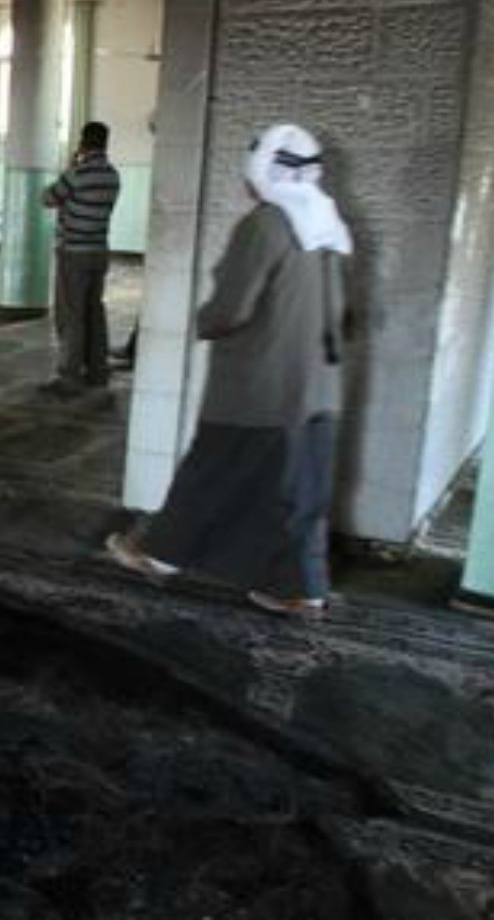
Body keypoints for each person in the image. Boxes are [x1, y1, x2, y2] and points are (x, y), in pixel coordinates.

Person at [106, 123, 352, 619]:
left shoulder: (265, 225)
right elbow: (345, 312)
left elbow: (232, 308)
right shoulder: (329, 224)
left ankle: (158, 554)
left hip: (259, 387)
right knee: (301, 490)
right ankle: (301, 587)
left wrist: (201, 322)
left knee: (211, 470)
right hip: (319, 387)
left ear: (265, 171)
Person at [40, 121, 122, 397]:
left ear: (83, 142)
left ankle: (69, 376)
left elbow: (47, 198)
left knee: (71, 315)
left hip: (74, 253)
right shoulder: (113, 175)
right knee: (94, 311)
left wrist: (71, 165)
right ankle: (97, 371)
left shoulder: (76, 174)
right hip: (100, 251)